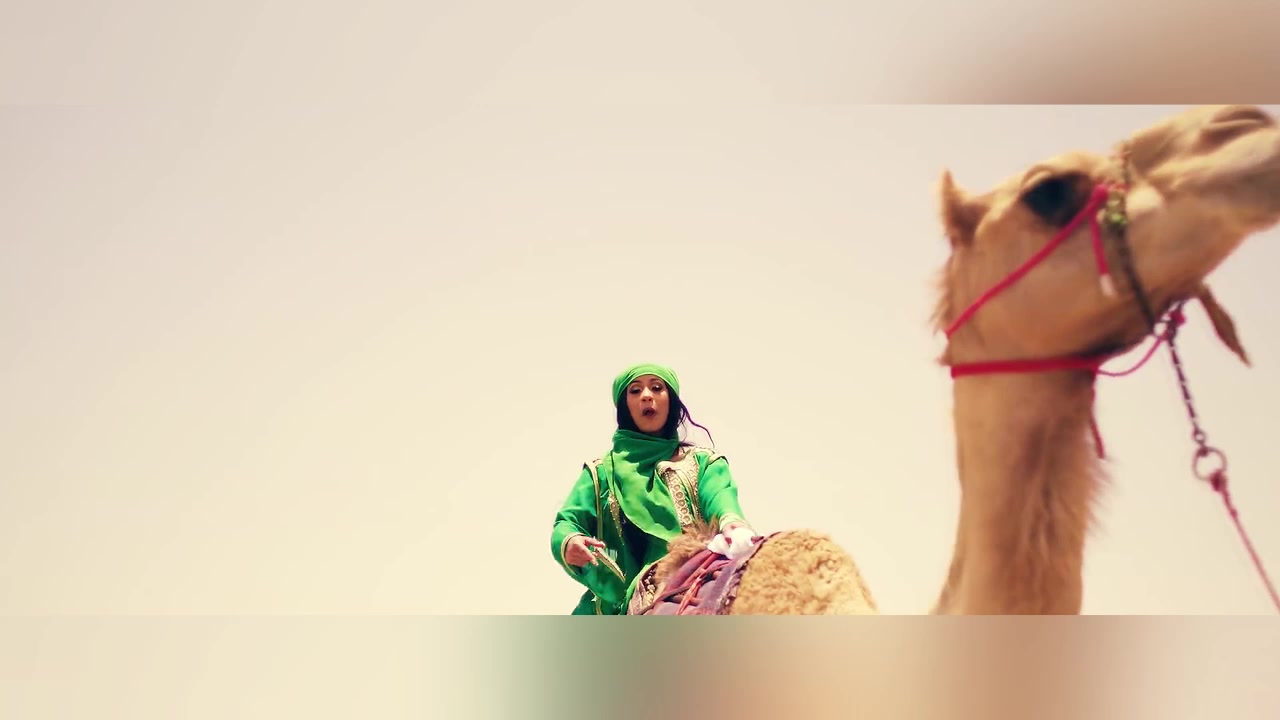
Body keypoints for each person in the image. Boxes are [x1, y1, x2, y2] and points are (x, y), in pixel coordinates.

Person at [549, 362, 756, 615]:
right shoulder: (601, 473)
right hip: (630, 594)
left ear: (671, 400)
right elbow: (567, 522)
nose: (647, 396)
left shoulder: (704, 463)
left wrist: (732, 523)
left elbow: (721, 499)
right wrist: (570, 542)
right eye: (635, 391)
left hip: (700, 568)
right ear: (625, 405)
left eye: (657, 388)